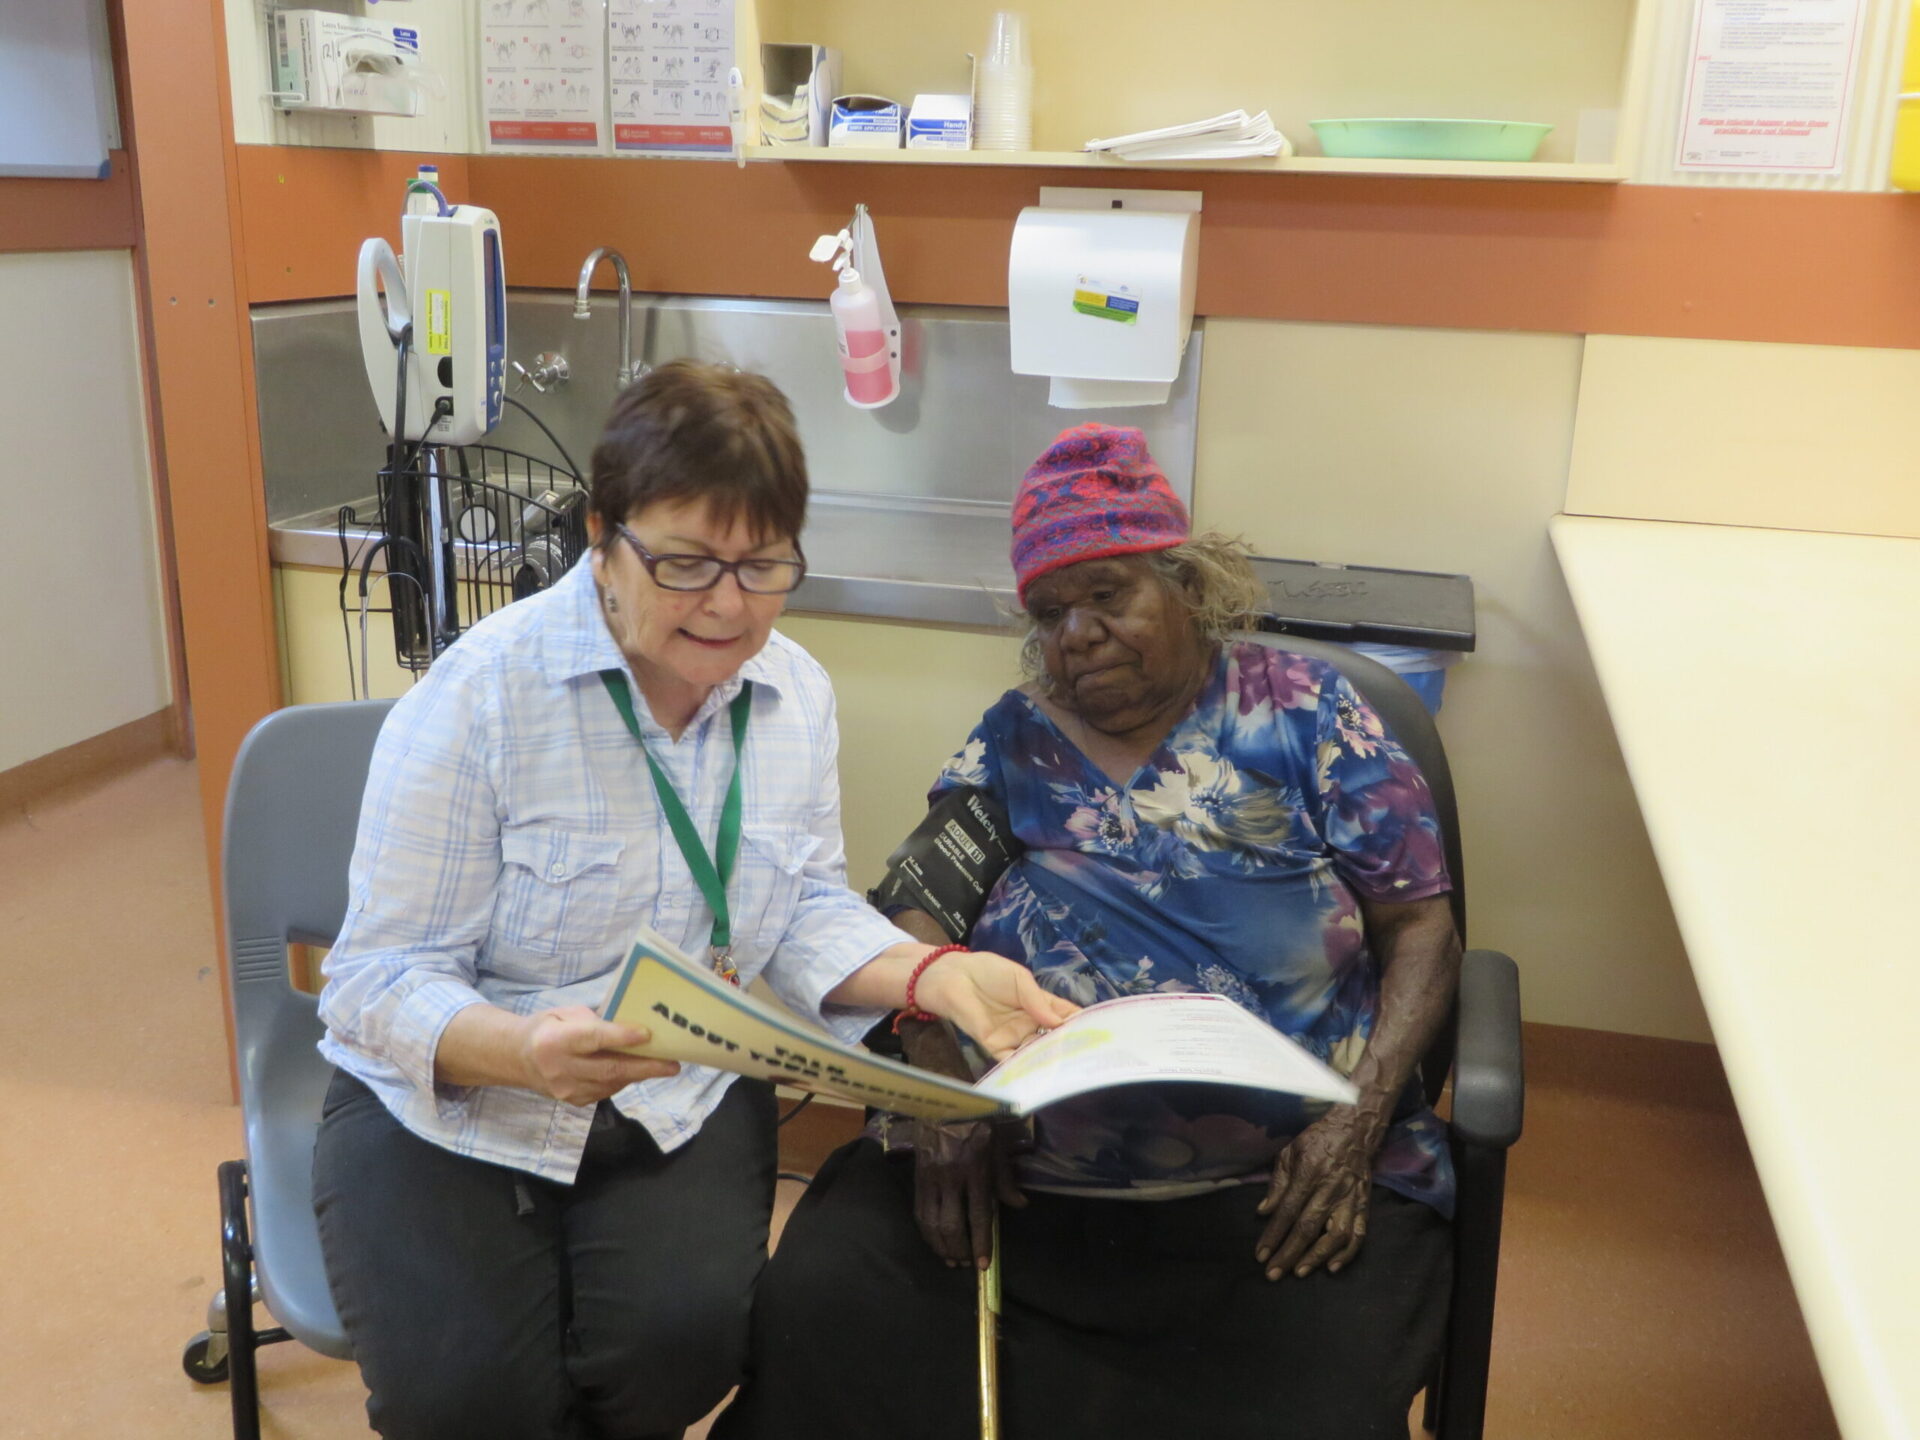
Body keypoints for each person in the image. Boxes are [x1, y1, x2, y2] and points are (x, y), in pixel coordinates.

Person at [310, 362, 1073, 1440]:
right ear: (601, 539)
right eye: (683, 564)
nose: (727, 605)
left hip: (676, 1093)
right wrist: (522, 1051)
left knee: (679, 1361)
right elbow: (375, 981)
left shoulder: (794, 694)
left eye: (764, 566)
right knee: (467, 1407)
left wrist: (936, 977)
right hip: (454, 1107)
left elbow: (800, 909)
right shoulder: (482, 698)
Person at [715, 424, 1462, 1440]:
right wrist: (943, 1097)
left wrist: (1359, 1121)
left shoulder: (1307, 716)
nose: (1078, 632)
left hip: (1279, 1180)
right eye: (1051, 612)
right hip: (1026, 1180)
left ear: (1186, 585)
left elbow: (1421, 926)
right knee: (827, 1308)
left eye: (1108, 595)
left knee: (1302, 1385)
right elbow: (916, 914)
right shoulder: (1014, 739)